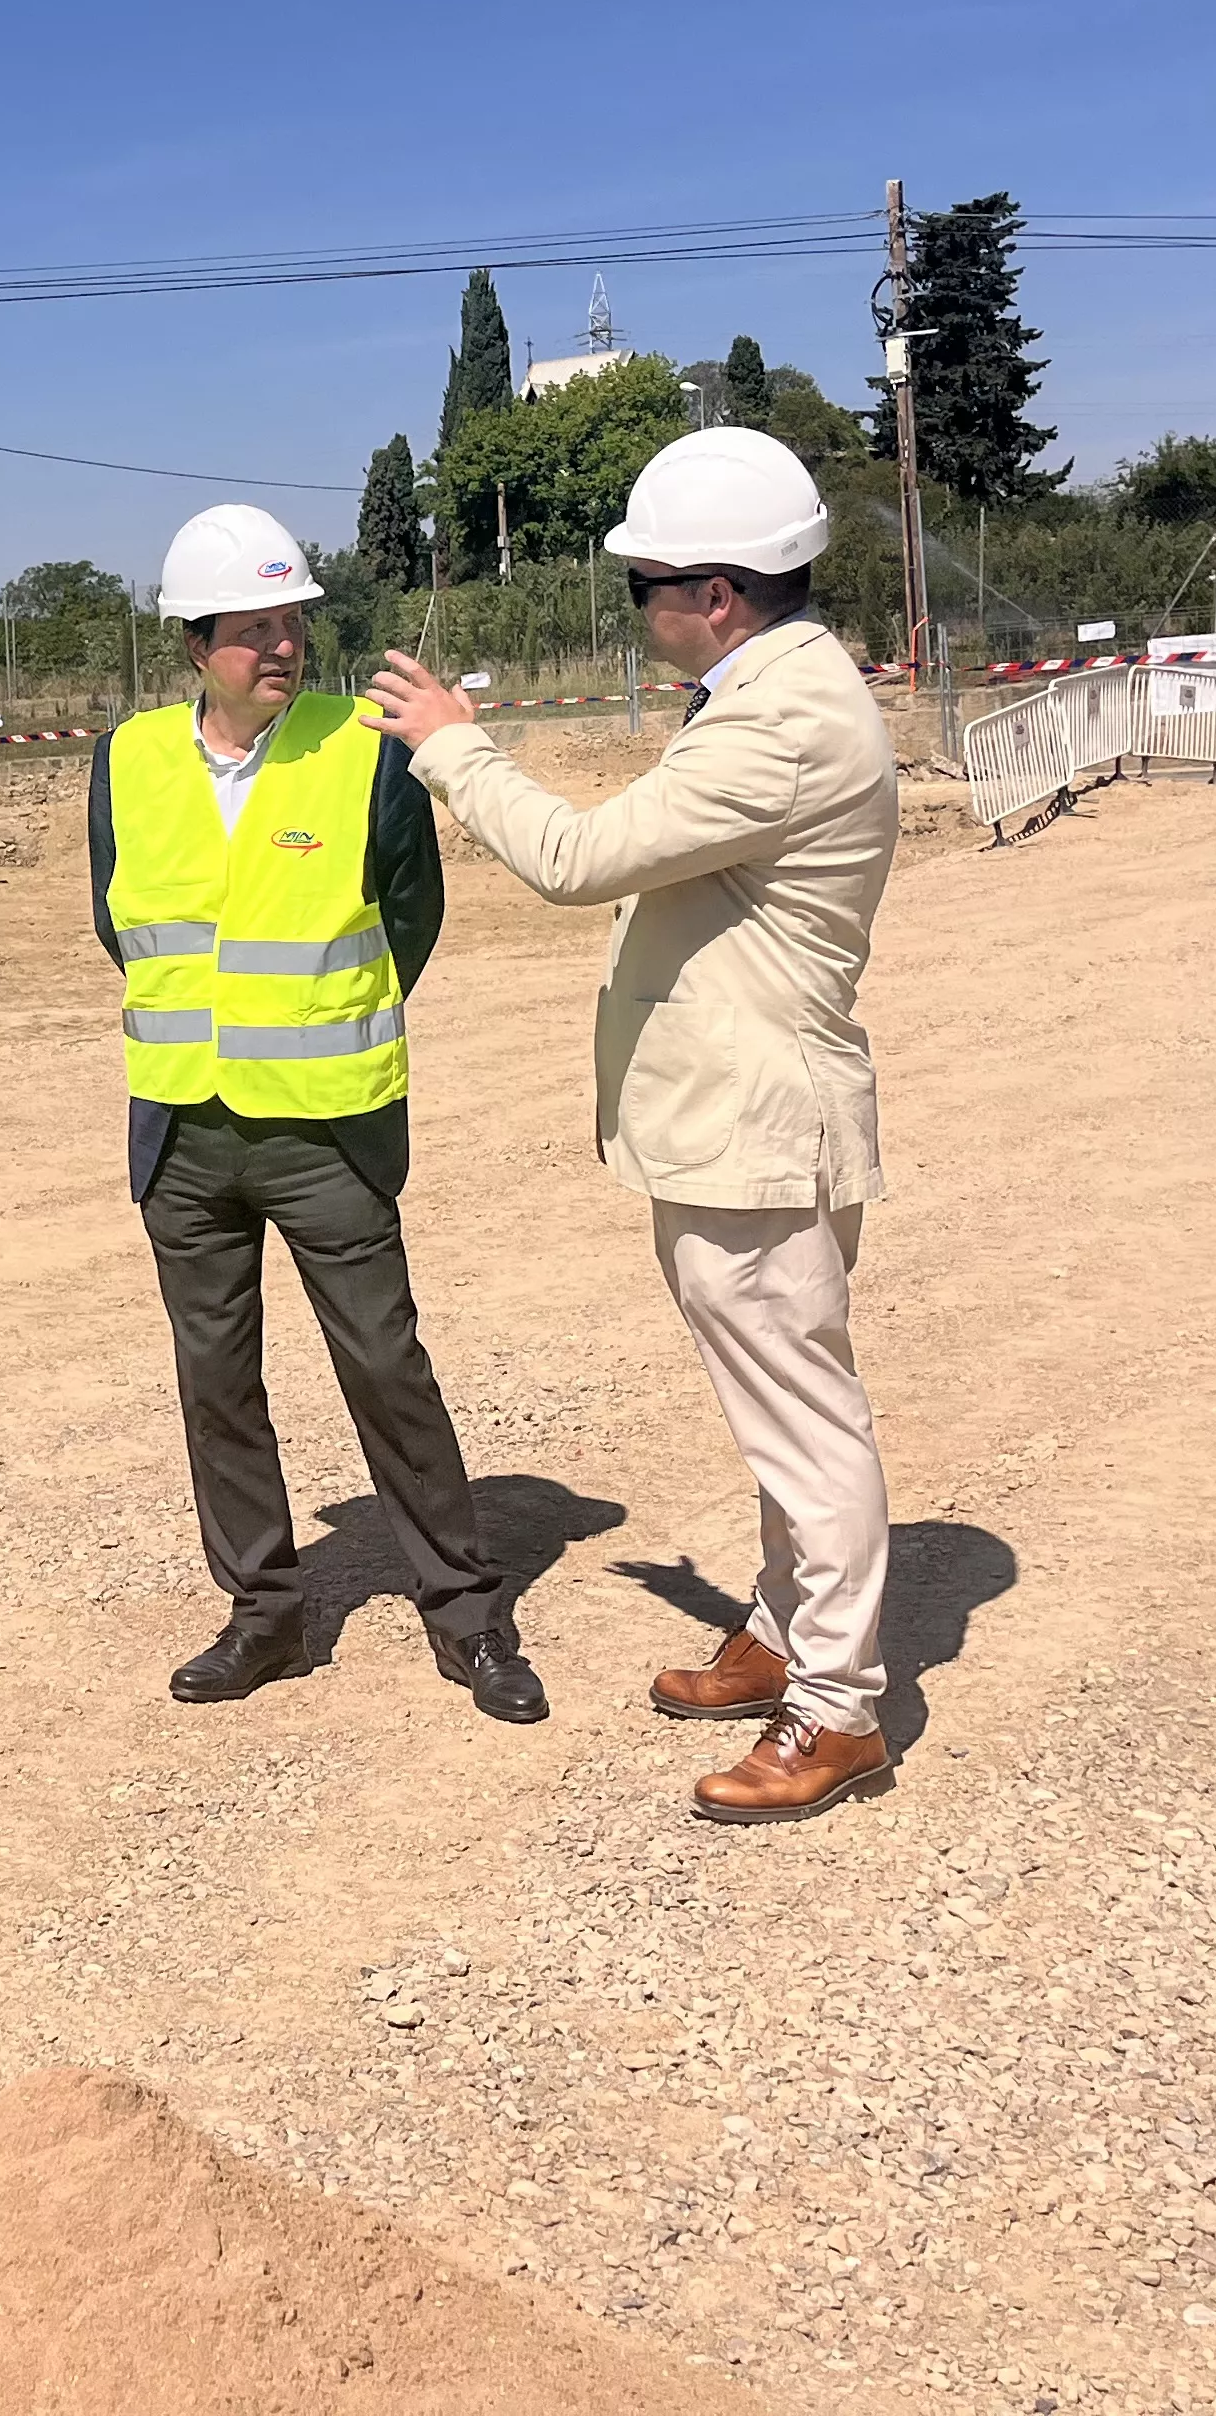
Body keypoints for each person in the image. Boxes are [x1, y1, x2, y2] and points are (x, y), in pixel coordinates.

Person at [366, 428, 901, 1823]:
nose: (639, 611)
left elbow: (576, 856)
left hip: (756, 1127)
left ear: (716, 593)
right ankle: (785, 1634)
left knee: (807, 1424)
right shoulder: (779, 688)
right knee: (780, 1410)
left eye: (642, 586)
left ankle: (839, 1710)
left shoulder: (780, 720)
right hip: (745, 1120)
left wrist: (453, 748)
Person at [87, 503, 541, 1727]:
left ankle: (468, 1617)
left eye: (293, 623)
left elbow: (412, 917)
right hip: (182, 1128)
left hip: (327, 1124)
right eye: (253, 630)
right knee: (215, 1379)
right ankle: (264, 1614)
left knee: (385, 1364)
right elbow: (115, 920)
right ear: (195, 643)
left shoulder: (365, 747)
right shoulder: (126, 761)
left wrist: (326, 1023)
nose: (282, 647)